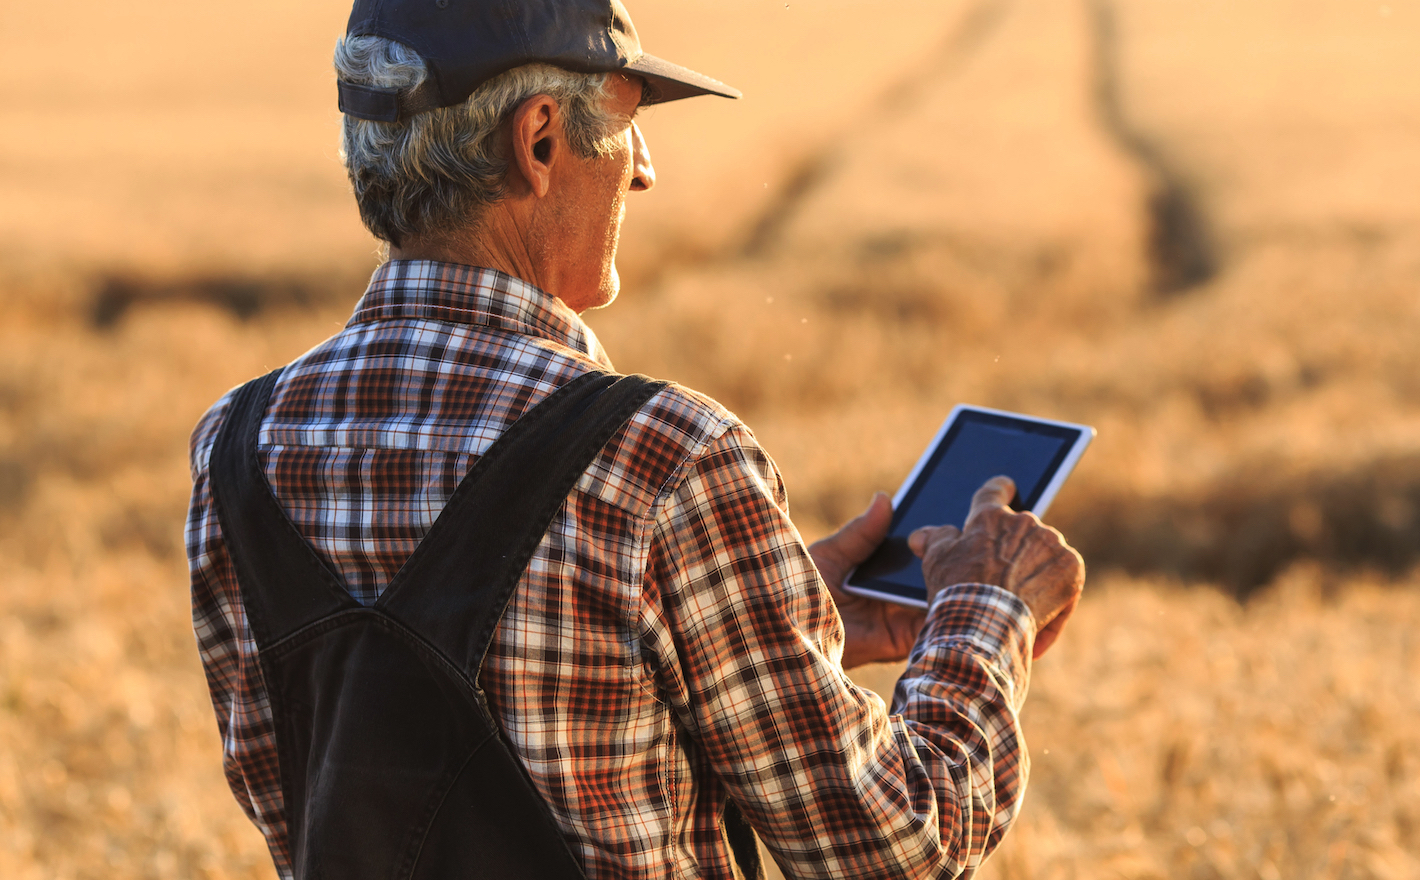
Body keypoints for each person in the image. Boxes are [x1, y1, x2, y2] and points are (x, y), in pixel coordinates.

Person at [185, 1, 1085, 878]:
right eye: (625, 123)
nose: (643, 170)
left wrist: (758, 636)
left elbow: (318, 803)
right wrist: (985, 612)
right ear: (539, 140)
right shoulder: (663, 455)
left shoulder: (234, 446)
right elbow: (892, 850)